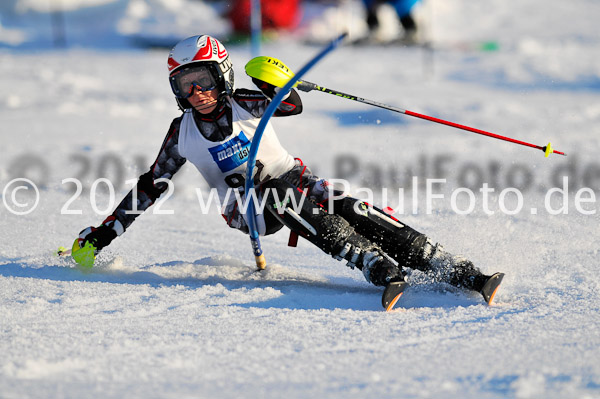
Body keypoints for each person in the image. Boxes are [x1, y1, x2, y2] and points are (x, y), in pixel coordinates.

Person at [75, 34, 504, 311]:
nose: (198, 93)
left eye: (203, 79)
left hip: (294, 177)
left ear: (221, 73)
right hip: (247, 210)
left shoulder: (246, 102)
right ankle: (374, 265)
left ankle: (453, 267)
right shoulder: (182, 133)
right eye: (185, 85)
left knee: (347, 205)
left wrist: (272, 81)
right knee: (280, 198)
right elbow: (152, 186)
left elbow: (291, 105)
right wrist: (103, 233)